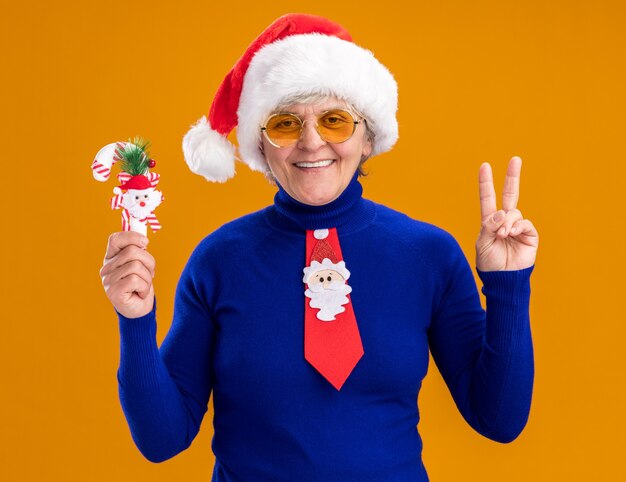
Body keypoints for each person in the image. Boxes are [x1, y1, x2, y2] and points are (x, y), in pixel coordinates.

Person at [100, 13, 539, 481]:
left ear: (368, 138)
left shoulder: (428, 255)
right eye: (286, 124)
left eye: (334, 120)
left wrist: (508, 285)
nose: (311, 143)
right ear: (260, 147)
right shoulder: (218, 261)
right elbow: (161, 440)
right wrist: (135, 321)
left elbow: (499, 420)